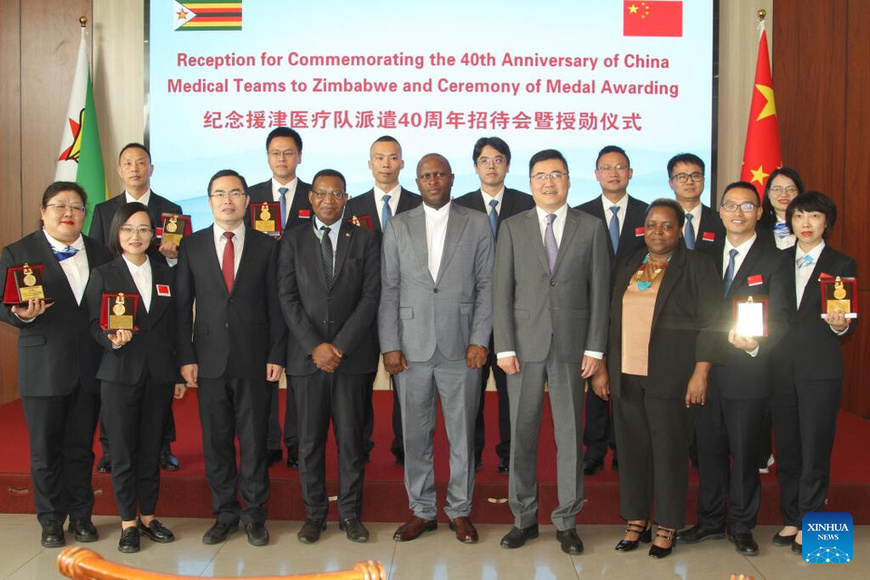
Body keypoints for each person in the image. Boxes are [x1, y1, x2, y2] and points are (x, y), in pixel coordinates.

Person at [495, 149, 610, 555]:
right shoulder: (511, 227)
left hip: (571, 349)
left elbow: (600, 293)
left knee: (567, 436)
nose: (549, 182)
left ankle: (566, 520)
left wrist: (596, 348)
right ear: (529, 183)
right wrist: (504, 345)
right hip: (522, 350)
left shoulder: (591, 227)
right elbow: (501, 290)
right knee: (521, 436)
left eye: (556, 174)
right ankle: (523, 518)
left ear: (568, 180)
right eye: (540, 176)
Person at [592, 199, 720, 558]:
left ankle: (667, 524)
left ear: (680, 230)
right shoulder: (630, 263)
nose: (657, 232)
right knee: (631, 452)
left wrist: (701, 371)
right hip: (626, 373)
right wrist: (602, 366)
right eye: (651, 225)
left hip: (672, 377)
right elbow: (608, 316)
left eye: (666, 226)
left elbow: (713, 322)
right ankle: (636, 520)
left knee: (668, 452)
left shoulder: (698, 266)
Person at [379, 153, 493, 544]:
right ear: (418, 179)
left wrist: (480, 339)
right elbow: (390, 288)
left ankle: (460, 511)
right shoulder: (397, 225)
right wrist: (390, 344)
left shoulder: (476, 223)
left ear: (451, 178)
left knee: (461, 434)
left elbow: (486, 286)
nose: (432, 180)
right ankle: (422, 510)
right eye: (425, 175)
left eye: (439, 174)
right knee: (415, 435)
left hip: (462, 347)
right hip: (410, 349)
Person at [176, 169, 287, 547]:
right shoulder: (191, 246)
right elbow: (181, 307)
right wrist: (185, 356)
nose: (228, 200)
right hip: (208, 361)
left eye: (235, 193)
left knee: (255, 441)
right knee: (217, 440)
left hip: (256, 359)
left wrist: (277, 353)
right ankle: (224, 512)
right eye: (220, 194)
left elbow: (277, 305)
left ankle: (255, 514)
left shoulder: (268, 246)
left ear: (246, 200)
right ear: (209, 201)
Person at [679, 182, 790, 555]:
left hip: (749, 368)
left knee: (744, 453)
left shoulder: (775, 258)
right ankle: (710, 521)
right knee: (707, 449)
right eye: (730, 205)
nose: (737, 213)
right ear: (720, 211)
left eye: (746, 206)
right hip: (704, 371)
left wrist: (759, 343)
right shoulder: (703, 253)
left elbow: (783, 316)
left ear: (760, 213)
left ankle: (742, 525)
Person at [0, 181, 112, 547]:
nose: (68, 213)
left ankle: (82, 515)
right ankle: (50, 520)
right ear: (43, 211)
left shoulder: (101, 253)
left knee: (81, 447)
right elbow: (3, 305)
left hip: (90, 367)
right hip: (44, 367)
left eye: (77, 206)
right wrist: (22, 315)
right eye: (60, 206)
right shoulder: (18, 252)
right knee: (45, 449)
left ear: (85, 213)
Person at [278, 169, 380, 544]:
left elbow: (371, 297)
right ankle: (315, 514)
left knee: (352, 442)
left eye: (335, 194)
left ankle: (351, 514)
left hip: (352, 360)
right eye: (321, 193)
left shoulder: (366, 240)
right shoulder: (292, 241)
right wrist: (315, 346)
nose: (327, 200)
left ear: (346, 198)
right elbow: (287, 298)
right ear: (310, 198)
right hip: (307, 360)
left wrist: (340, 346)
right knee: (309, 442)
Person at [84, 202, 185, 553]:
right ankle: (128, 521)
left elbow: (174, 327)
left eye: (143, 229)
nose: (136, 236)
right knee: (124, 451)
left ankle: (149, 517)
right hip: (119, 373)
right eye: (128, 229)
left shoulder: (165, 274)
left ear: (154, 234)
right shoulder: (103, 273)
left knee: (151, 448)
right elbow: (93, 323)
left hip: (158, 374)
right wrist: (109, 339)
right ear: (116, 233)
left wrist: (178, 372)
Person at [770, 191, 857, 554]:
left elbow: (846, 324)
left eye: (814, 217)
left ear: (827, 223)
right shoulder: (776, 261)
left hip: (819, 369)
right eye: (800, 217)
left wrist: (840, 326)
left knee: (815, 446)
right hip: (780, 368)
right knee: (788, 446)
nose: (806, 224)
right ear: (790, 222)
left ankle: (811, 517)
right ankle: (792, 516)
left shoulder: (842, 264)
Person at [88, 142, 183, 474]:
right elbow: (98, 257)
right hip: (116, 307)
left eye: (141, 162)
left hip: (155, 303)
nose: (134, 168)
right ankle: (111, 449)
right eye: (127, 163)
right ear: (119, 169)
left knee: (160, 376)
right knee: (114, 384)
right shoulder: (103, 210)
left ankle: (162, 446)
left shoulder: (169, 208)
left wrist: (172, 256)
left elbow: (177, 261)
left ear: (151, 169)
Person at [454, 136, 535, 474]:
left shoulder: (527, 204)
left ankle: (509, 453)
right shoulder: (458, 206)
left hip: (514, 315)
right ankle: (472, 452)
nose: (491, 166)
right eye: (485, 160)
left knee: (510, 391)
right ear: (475, 166)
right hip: (469, 315)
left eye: (499, 159)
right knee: (470, 392)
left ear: (507, 165)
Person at [345, 135, 422, 465]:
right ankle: (360, 444)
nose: (386, 164)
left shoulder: (420, 204)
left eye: (393, 158)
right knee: (360, 381)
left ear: (402, 163)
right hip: (360, 307)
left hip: (406, 306)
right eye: (380, 158)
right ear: (370, 164)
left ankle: (405, 445)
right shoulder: (352, 207)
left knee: (405, 381)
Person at [576, 145, 648, 476]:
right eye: (607, 168)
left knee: (627, 381)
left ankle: (624, 446)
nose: (614, 173)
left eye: (621, 167)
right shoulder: (580, 214)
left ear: (631, 173)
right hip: (590, 307)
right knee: (594, 376)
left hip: (634, 312)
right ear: (596, 175)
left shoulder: (648, 215)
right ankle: (595, 448)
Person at [247, 127, 311, 469]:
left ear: (300, 156)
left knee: (299, 373)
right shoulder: (250, 196)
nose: (282, 159)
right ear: (268, 157)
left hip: (303, 300)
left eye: (289, 152)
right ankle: (270, 440)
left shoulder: (316, 196)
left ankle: (297, 441)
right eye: (276, 153)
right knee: (265, 371)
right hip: (260, 298)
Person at [667, 153, 726, 249]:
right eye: (682, 177)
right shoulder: (661, 220)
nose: (689, 182)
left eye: (695, 176)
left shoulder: (720, 221)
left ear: (703, 180)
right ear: (671, 183)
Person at [758, 167, 805, 249]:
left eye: (790, 189)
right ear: (768, 193)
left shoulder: (808, 224)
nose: (784, 194)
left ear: (799, 193)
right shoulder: (756, 226)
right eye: (777, 189)